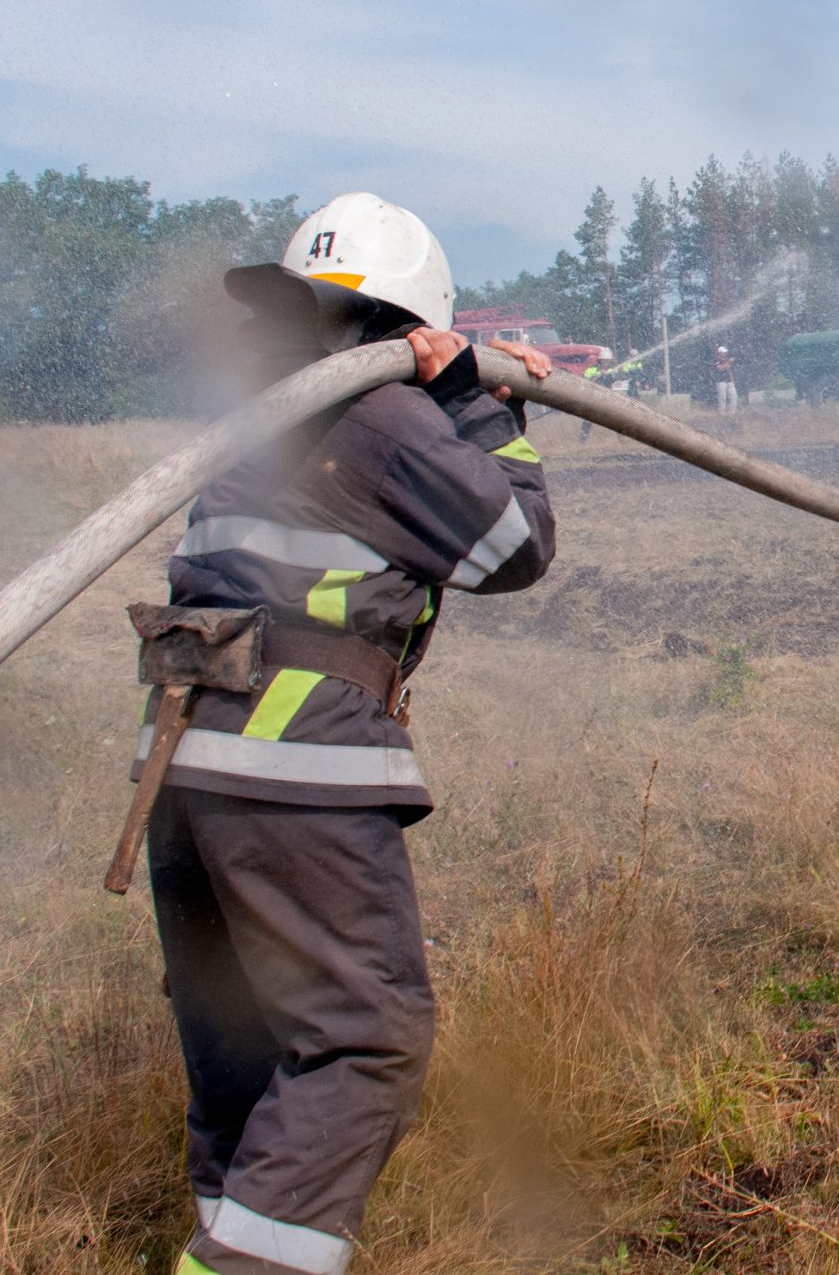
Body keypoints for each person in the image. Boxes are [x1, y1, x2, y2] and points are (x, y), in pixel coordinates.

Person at [137, 191, 557, 1275]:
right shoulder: (380, 415)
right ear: (416, 322)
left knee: (243, 1046)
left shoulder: (266, 407)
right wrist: (472, 400)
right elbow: (513, 547)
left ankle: (220, 1242)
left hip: (185, 769)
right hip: (292, 763)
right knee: (366, 1035)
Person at [713, 344, 739, 413]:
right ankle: (722, 415)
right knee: (722, 399)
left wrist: (733, 383)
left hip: (729, 382)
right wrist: (729, 361)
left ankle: (731, 415)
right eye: (724, 352)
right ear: (720, 353)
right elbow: (720, 368)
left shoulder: (726, 360)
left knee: (734, 397)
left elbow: (730, 372)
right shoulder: (716, 360)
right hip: (721, 381)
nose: (725, 354)